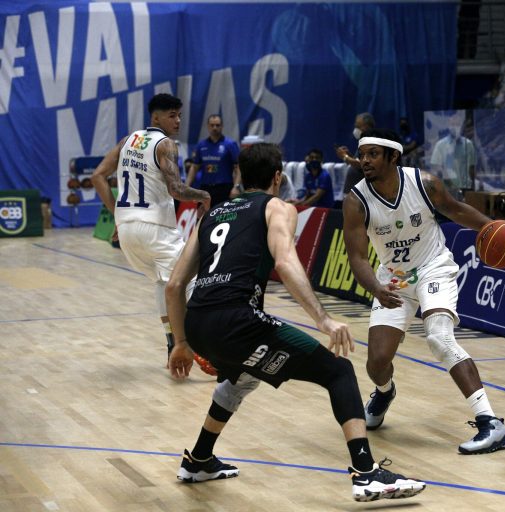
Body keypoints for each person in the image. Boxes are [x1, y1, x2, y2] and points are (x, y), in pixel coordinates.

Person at [165, 142, 426, 501]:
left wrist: (180, 343)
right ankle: (367, 474)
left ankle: (198, 459)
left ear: (239, 174)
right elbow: (285, 262)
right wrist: (324, 319)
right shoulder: (277, 207)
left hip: (197, 323)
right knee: (338, 371)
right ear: (278, 177)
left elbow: (175, 285)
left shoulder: (212, 214)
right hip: (238, 321)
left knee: (240, 377)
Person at [342, 129, 505, 454]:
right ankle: (385, 392)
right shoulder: (356, 201)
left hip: (433, 267)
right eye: (362, 154)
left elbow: (457, 210)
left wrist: (495, 228)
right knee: (377, 362)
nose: (364, 160)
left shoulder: (424, 183)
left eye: (373, 154)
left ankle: (491, 423)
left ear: (393, 156)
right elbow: (358, 257)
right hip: (393, 279)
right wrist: (376, 287)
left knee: (439, 337)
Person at [91, 93, 212, 370]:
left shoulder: (127, 140)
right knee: (190, 281)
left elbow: (97, 176)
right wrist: (203, 195)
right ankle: (200, 347)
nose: (178, 121)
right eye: (172, 115)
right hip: (156, 229)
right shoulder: (165, 144)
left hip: (128, 232)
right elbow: (176, 190)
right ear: (155, 117)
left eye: (179, 115)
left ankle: (172, 344)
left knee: (163, 282)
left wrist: (118, 216)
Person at [187, 114, 240, 206]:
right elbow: (194, 167)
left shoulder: (230, 144)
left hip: (224, 188)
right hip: (205, 188)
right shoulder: (201, 145)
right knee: (203, 214)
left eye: (217, 125)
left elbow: (238, 167)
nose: (214, 128)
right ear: (208, 126)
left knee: (224, 214)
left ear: (222, 126)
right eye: (212, 125)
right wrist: (186, 186)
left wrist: (236, 187)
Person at [429, 112, 476, 196]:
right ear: (448, 125)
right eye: (452, 124)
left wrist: (472, 188)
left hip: (466, 188)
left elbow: (472, 168)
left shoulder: (468, 144)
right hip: (447, 189)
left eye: (457, 124)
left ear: (462, 125)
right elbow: (436, 167)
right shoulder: (440, 145)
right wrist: (446, 177)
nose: (455, 127)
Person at [337, 112, 376, 195]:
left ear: (367, 126)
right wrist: (349, 155)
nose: (355, 129)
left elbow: (362, 164)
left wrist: (345, 157)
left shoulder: (370, 142)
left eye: (358, 126)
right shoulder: (362, 142)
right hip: (353, 193)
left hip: (361, 194)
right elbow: (358, 162)